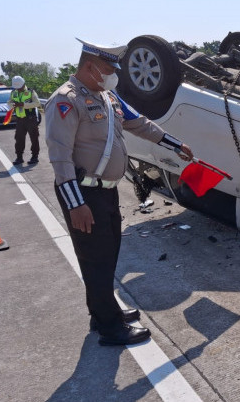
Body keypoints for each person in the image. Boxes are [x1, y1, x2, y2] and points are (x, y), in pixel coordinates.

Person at [45, 38, 194, 346]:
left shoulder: (107, 97)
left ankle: (103, 310)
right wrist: (75, 205)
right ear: (90, 67)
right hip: (83, 194)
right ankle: (109, 327)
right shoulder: (65, 100)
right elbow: (60, 159)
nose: (114, 72)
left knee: (107, 255)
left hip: (106, 192)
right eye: (108, 67)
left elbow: (140, 124)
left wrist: (176, 145)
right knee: (96, 260)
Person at [9, 76, 41, 165]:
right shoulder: (13, 92)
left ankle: (35, 157)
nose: (18, 89)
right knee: (19, 139)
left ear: (23, 84)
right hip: (20, 120)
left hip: (30, 119)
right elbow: (9, 102)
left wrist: (23, 105)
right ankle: (19, 158)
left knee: (34, 138)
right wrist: (13, 105)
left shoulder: (31, 92)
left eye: (19, 87)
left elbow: (37, 103)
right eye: (17, 88)